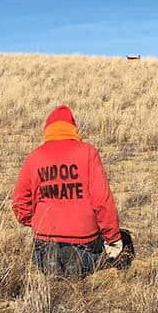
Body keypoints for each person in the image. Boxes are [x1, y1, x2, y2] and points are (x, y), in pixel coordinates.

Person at [12, 105, 123, 277]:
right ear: (73, 129)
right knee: (98, 256)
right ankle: (77, 257)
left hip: (44, 236)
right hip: (84, 238)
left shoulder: (34, 157)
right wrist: (113, 236)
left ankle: (50, 257)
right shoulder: (88, 153)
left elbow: (20, 202)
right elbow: (102, 201)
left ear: (47, 130)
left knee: (40, 254)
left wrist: (34, 221)